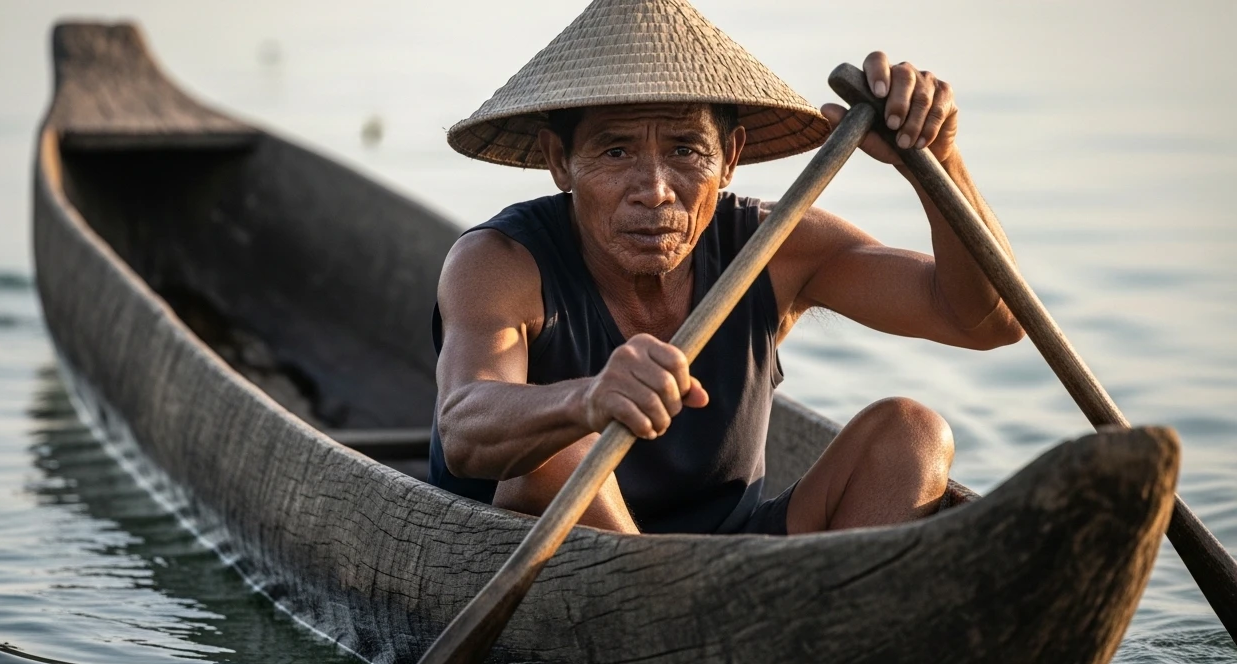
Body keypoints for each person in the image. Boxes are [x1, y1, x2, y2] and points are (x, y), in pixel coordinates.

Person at [428, 0, 1023, 535]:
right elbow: (463, 428)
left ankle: (810, 618)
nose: (656, 191)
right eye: (615, 152)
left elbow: (984, 321)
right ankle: (671, 614)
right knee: (558, 458)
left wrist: (936, 163)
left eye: (686, 151)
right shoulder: (500, 261)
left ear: (731, 157)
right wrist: (586, 401)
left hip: (733, 562)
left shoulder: (774, 245)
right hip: (567, 558)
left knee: (912, 435)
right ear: (561, 162)